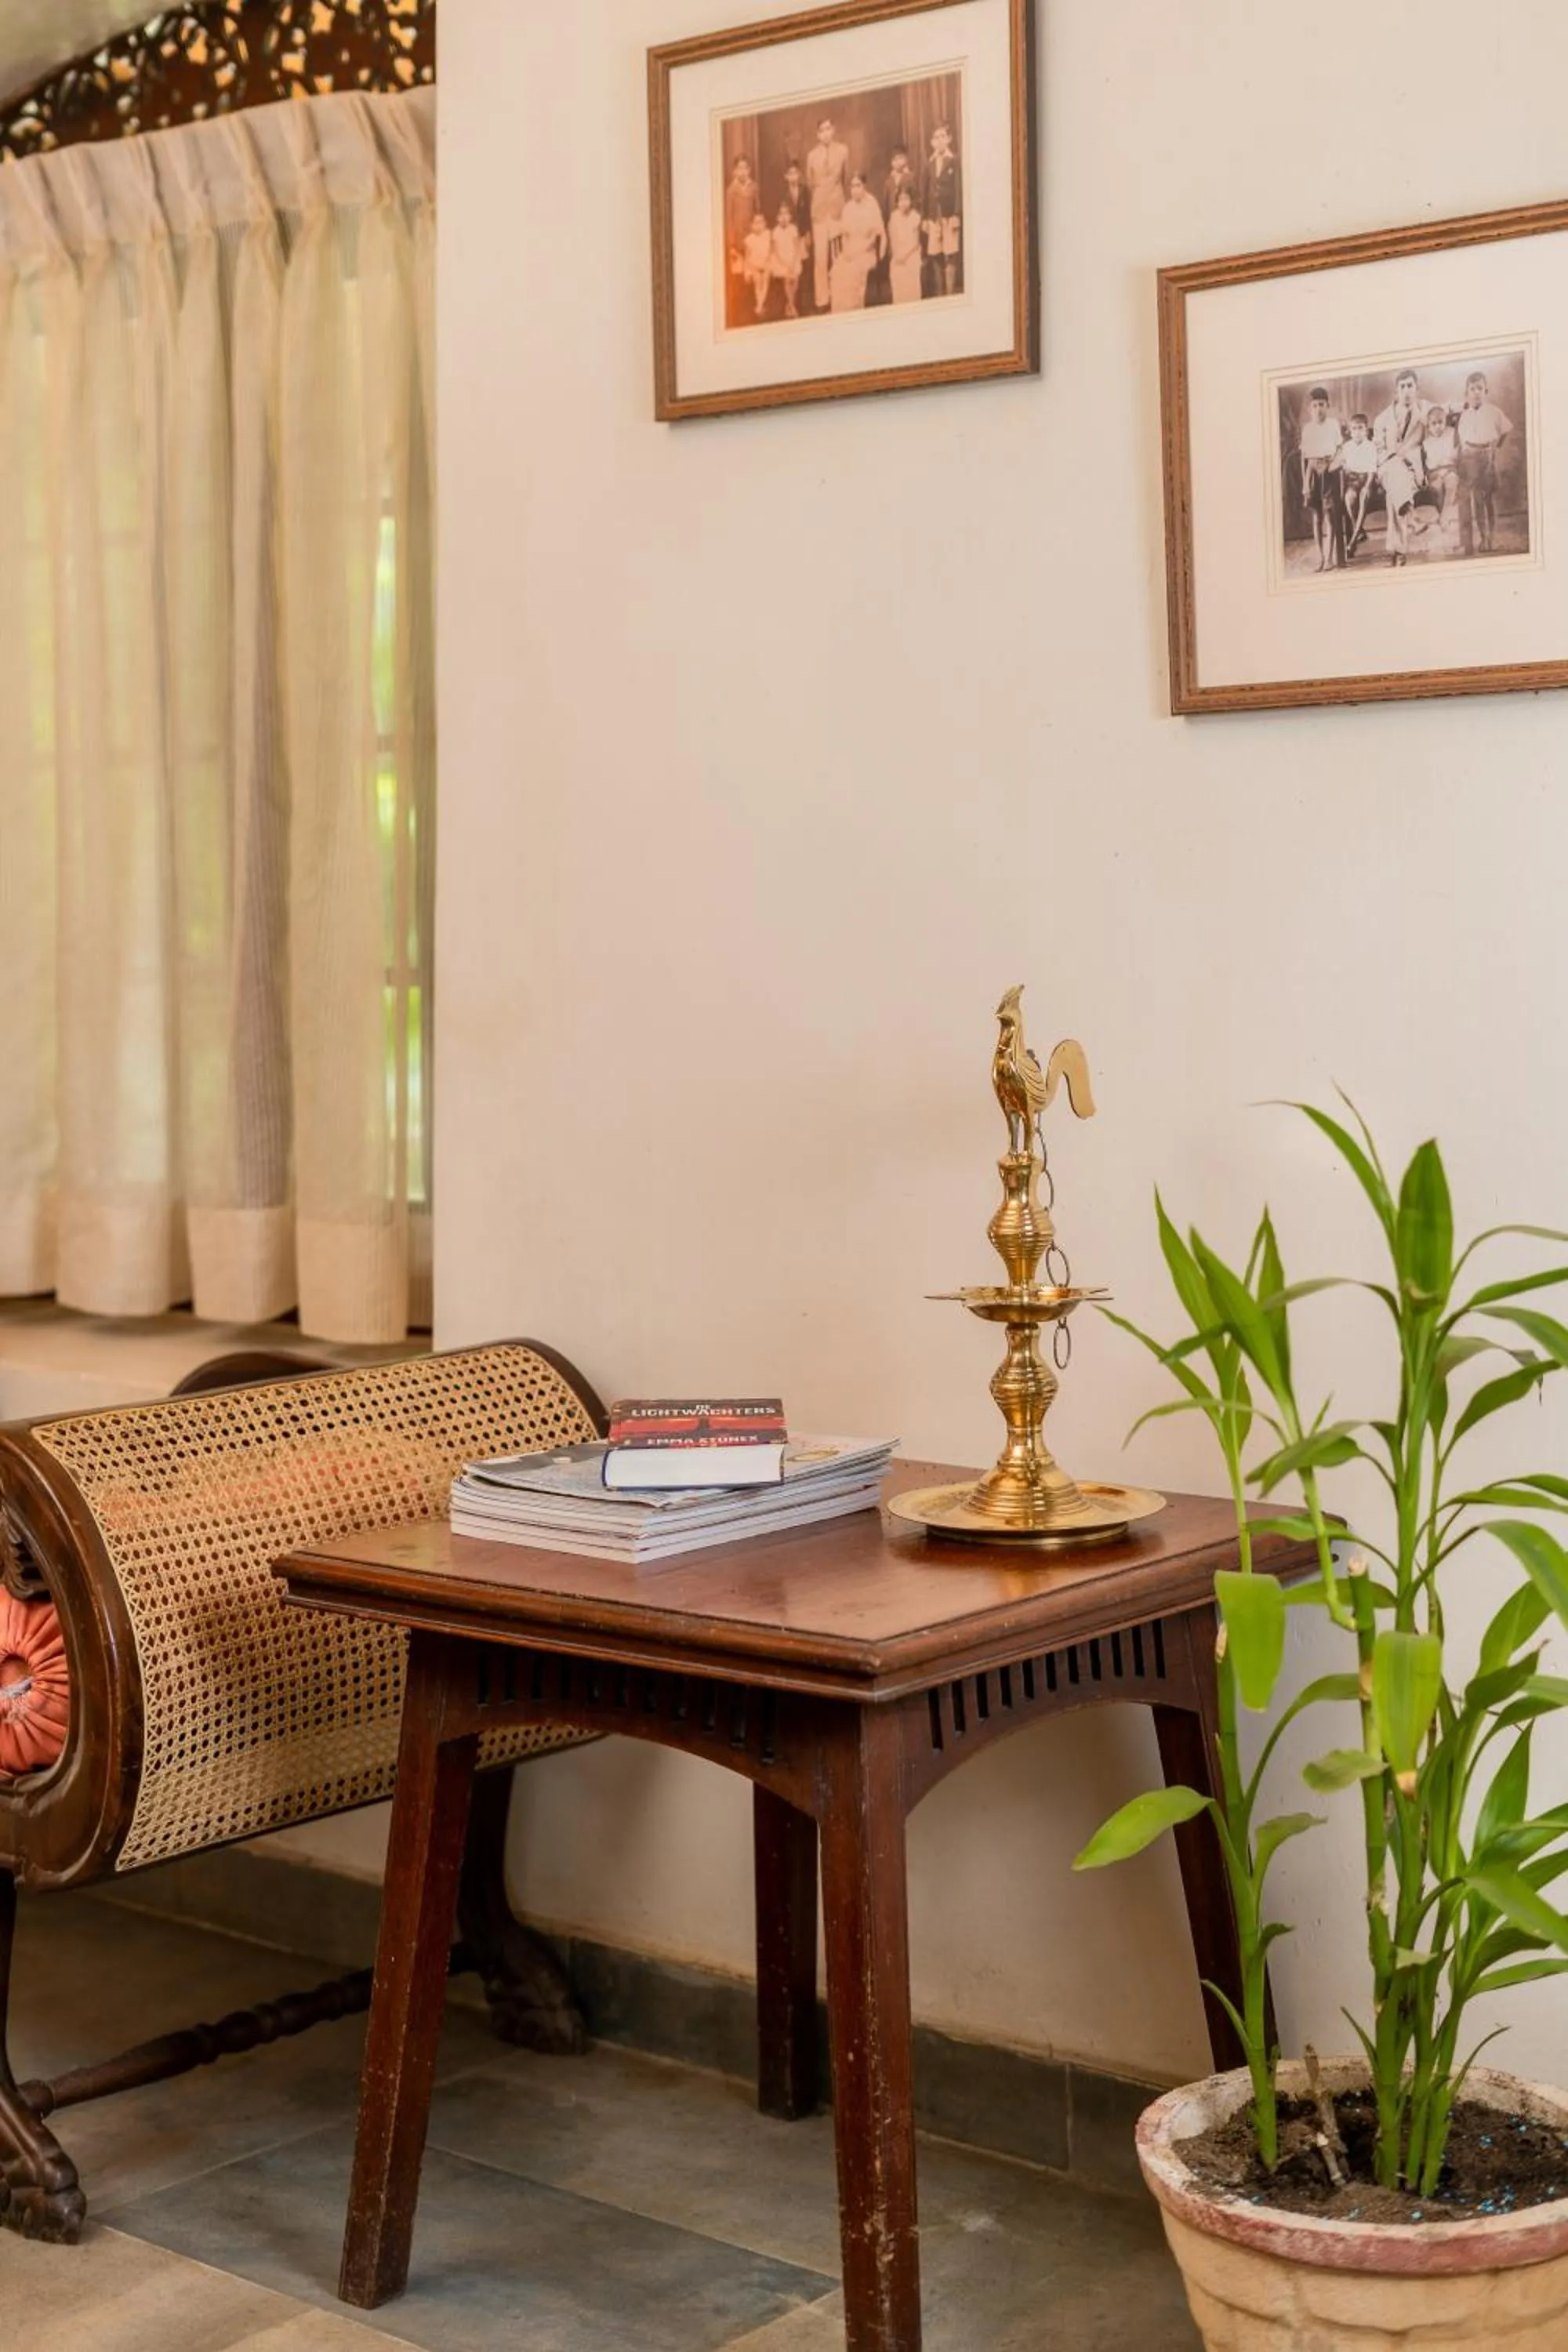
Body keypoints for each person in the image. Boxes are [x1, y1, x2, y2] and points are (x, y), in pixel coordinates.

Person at [1373, 369, 1428, 564]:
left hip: (1413, 470)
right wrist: (1395, 458)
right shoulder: (1382, 419)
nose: (1406, 390)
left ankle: (1399, 552)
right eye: (1402, 386)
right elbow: (1378, 450)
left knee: (1394, 494)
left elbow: (1447, 408)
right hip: (1388, 467)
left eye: (1410, 386)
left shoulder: (1424, 410)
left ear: (1417, 389)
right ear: (1396, 391)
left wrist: (1465, 405)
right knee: (1395, 473)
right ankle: (1412, 517)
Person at [1455, 369, 1513, 556]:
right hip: (1470, 458)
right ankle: (1483, 535)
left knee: (1489, 498)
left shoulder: (1494, 412)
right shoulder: (1464, 415)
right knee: (1477, 500)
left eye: (1480, 388)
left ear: (1486, 390)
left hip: (1488, 455)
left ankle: (1492, 537)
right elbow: (1462, 440)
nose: (1476, 392)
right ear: (1467, 393)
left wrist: (1495, 448)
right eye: (1472, 389)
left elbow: (1505, 430)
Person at [1298, 386, 1345, 572]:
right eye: (1315, 406)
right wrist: (1305, 484)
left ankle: (1330, 557)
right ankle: (1320, 556)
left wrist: (1333, 463)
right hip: (1312, 471)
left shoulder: (1333, 424)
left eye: (1322, 405)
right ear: (1310, 409)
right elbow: (1305, 458)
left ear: (1328, 405)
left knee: (1330, 516)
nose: (1319, 409)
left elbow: (1340, 448)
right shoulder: (1307, 429)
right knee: (1317, 516)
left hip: (1328, 469)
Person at [806, 115, 849, 311]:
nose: (826, 133)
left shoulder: (843, 150)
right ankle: (822, 300)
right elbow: (810, 183)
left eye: (828, 129)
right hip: (819, 210)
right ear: (817, 135)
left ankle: (840, 294)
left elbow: (846, 179)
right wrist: (820, 197)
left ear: (834, 130)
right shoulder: (811, 156)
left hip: (837, 207)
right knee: (820, 257)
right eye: (822, 130)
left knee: (838, 254)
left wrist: (839, 202)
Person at [828, 172, 887, 311]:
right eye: (852, 186)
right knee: (838, 270)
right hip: (850, 250)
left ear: (864, 186)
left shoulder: (872, 204)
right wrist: (847, 251)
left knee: (854, 271)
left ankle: (855, 309)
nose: (855, 190)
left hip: (867, 250)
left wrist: (860, 250)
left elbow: (875, 236)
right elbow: (845, 235)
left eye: (858, 186)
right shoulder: (848, 207)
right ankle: (840, 310)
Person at [920, 120, 962, 297]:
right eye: (936, 138)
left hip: (948, 214)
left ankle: (951, 291)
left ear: (949, 139)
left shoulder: (954, 161)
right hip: (934, 215)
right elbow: (924, 191)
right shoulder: (929, 164)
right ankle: (940, 293)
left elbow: (959, 189)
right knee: (935, 252)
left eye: (943, 136)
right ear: (932, 142)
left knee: (950, 252)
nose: (939, 140)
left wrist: (957, 214)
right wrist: (924, 217)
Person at [724, 156, 760, 326]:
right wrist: (731, 243)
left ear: (749, 170)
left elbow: (758, 211)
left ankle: (754, 307)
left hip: (751, 237)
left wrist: (758, 233)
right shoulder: (731, 191)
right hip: (737, 239)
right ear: (735, 171)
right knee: (738, 274)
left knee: (752, 270)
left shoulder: (754, 188)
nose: (743, 171)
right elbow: (729, 219)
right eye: (740, 168)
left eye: (746, 168)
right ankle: (739, 311)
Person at [1421, 401, 1460, 551]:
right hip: (1435, 473)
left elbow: (1457, 455)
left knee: (1451, 482)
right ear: (1429, 427)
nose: (1438, 427)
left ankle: (1445, 515)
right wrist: (1433, 474)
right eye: (1434, 424)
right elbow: (1427, 465)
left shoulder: (1451, 433)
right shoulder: (1426, 443)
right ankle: (1444, 518)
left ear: (1446, 422)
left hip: (1450, 469)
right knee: (1436, 488)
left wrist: (1449, 470)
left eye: (1441, 422)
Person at [1338, 412, 1379, 557]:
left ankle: (1352, 542)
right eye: (1354, 429)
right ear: (1350, 431)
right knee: (1349, 499)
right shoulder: (1347, 447)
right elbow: (1342, 463)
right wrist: (1345, 468)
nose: (1357, 432)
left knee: (1363, 499)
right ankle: (1360, 531)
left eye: (1360, 428)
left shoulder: (1370, 446)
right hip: (1353, 481)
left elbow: (1372, 471)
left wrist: (1367, 485)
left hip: (1367, 480)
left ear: (1366, 430)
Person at [779, 160, 813, 310]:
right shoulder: (783, 194)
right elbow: (782, 215)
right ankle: (791, 302)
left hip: (803, 233)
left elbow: (808, 213)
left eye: (796, 173)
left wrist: (808, 233)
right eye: (790, 174)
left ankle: (804, 300)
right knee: (792, 267)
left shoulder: (805, 190)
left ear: (799, 175)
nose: (793, 177)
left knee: (804, 266)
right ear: (786, 177)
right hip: (790, 235)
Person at [887, 181, 924, 303]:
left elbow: (916, 243)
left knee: (911, 270)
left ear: (911, 201)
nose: (903, 203)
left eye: (906, 199)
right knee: (896, 270)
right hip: (898, 253)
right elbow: (893, 239)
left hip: (911, 253)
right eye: (901, 200)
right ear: (897, 202)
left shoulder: (915, 217)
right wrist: (897, 255)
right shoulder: (894, 217)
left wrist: (905, 256)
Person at [770, 201, 805, 319]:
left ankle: (789, 305)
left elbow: (797, 248)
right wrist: (785, 264)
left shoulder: (793, 229)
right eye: (781, 214)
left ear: (790, 216)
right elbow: (775, 252)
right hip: (781, 260)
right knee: (787, 278)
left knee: (795, 278)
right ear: (777, 217)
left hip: (792, 258)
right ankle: (792, 306)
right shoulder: (775, 231)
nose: (784, 217)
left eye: (786, 214)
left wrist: (793, 262)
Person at [742, 210, 774, 320]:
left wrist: (767, 262)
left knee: (765, 278)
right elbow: (747, 258)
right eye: (756, 223)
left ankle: (759, 306)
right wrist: (748, 270)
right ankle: (760, 305)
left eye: (761, 222)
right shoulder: (749, 239)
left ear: (765, 224)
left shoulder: (768, 234)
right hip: (753, 264)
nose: (759, 225)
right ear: (752, 226)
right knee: (757, 280)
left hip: (765, 262)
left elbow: (770, 251)